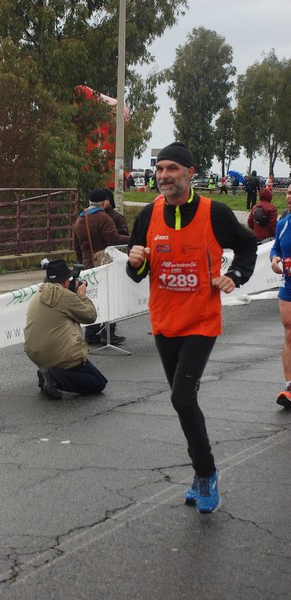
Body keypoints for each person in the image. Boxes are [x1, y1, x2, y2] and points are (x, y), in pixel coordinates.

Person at [126, 142, 257, 514]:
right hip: (164, 322)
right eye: (160, 169)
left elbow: (248, 246)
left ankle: (207, 473)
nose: (164, 175)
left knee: (181, 399)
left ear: (190, 173)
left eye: (172, 169)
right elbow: (136, 272)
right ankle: (201, 474)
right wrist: (135, 261)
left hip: (201, 321)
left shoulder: (215, 212)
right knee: (185, 404)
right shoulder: (148, 216)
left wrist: (235, 275)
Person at [24, 259, 107, 399]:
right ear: (65, 282)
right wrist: (82, 295)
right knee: (98, 383)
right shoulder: (65, 296)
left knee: (90, 376)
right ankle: (52, 376)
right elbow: (90, 316)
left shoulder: (38, 294)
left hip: (35, 354)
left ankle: (49, 372)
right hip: (59, 355)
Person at [73, 188, 130, 345]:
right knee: (109, 297)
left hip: (87, 266)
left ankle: (91, 334)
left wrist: (84, 262)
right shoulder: (103, 218)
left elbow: (76, 246)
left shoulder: (79, 219)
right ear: (104, 202)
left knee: (93, 299)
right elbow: (113, 239)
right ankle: (108, 333)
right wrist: (133, 239)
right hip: (104, 265)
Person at [270, 210, 291, 410]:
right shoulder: (283, 224)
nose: (290, 196)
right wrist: (275, 259)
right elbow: (275, 248)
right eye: (288, 193)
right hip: (289, 284)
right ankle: (290, 386)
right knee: (289, 332)